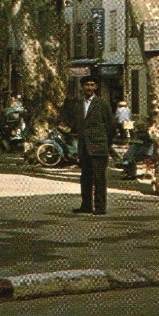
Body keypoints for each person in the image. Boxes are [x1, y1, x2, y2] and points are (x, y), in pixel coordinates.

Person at [62, 75, 116, 215]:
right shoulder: (78, 104)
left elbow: (111, 126)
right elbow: (74, 123)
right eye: (87, 85)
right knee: (85, 178)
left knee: (99, 178)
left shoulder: (102, 104)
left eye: (92, 85)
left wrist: (105, 142)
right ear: (82, 87)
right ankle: (86, 205)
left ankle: (100, 207)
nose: (89, 88)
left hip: (98, 146)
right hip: (83, 147)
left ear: (96, 87)